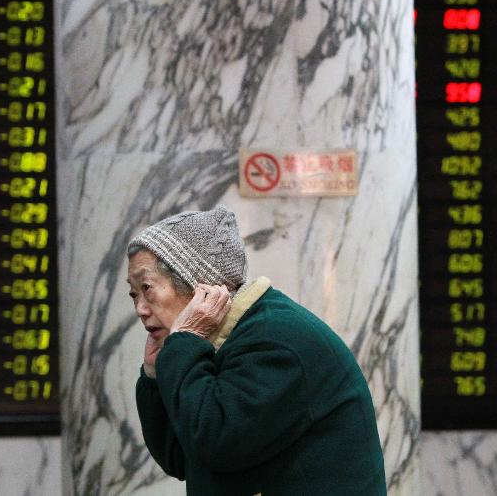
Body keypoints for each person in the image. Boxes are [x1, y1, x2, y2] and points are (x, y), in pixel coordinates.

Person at [128, 205, 387, 495]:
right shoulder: (219, 341)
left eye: (147, 287)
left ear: (198, 284)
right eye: (133, 293)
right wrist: (153, 376)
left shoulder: (277, 340)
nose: (140, 308)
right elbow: (181, 458)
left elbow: (215, 443)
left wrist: (184, 345)